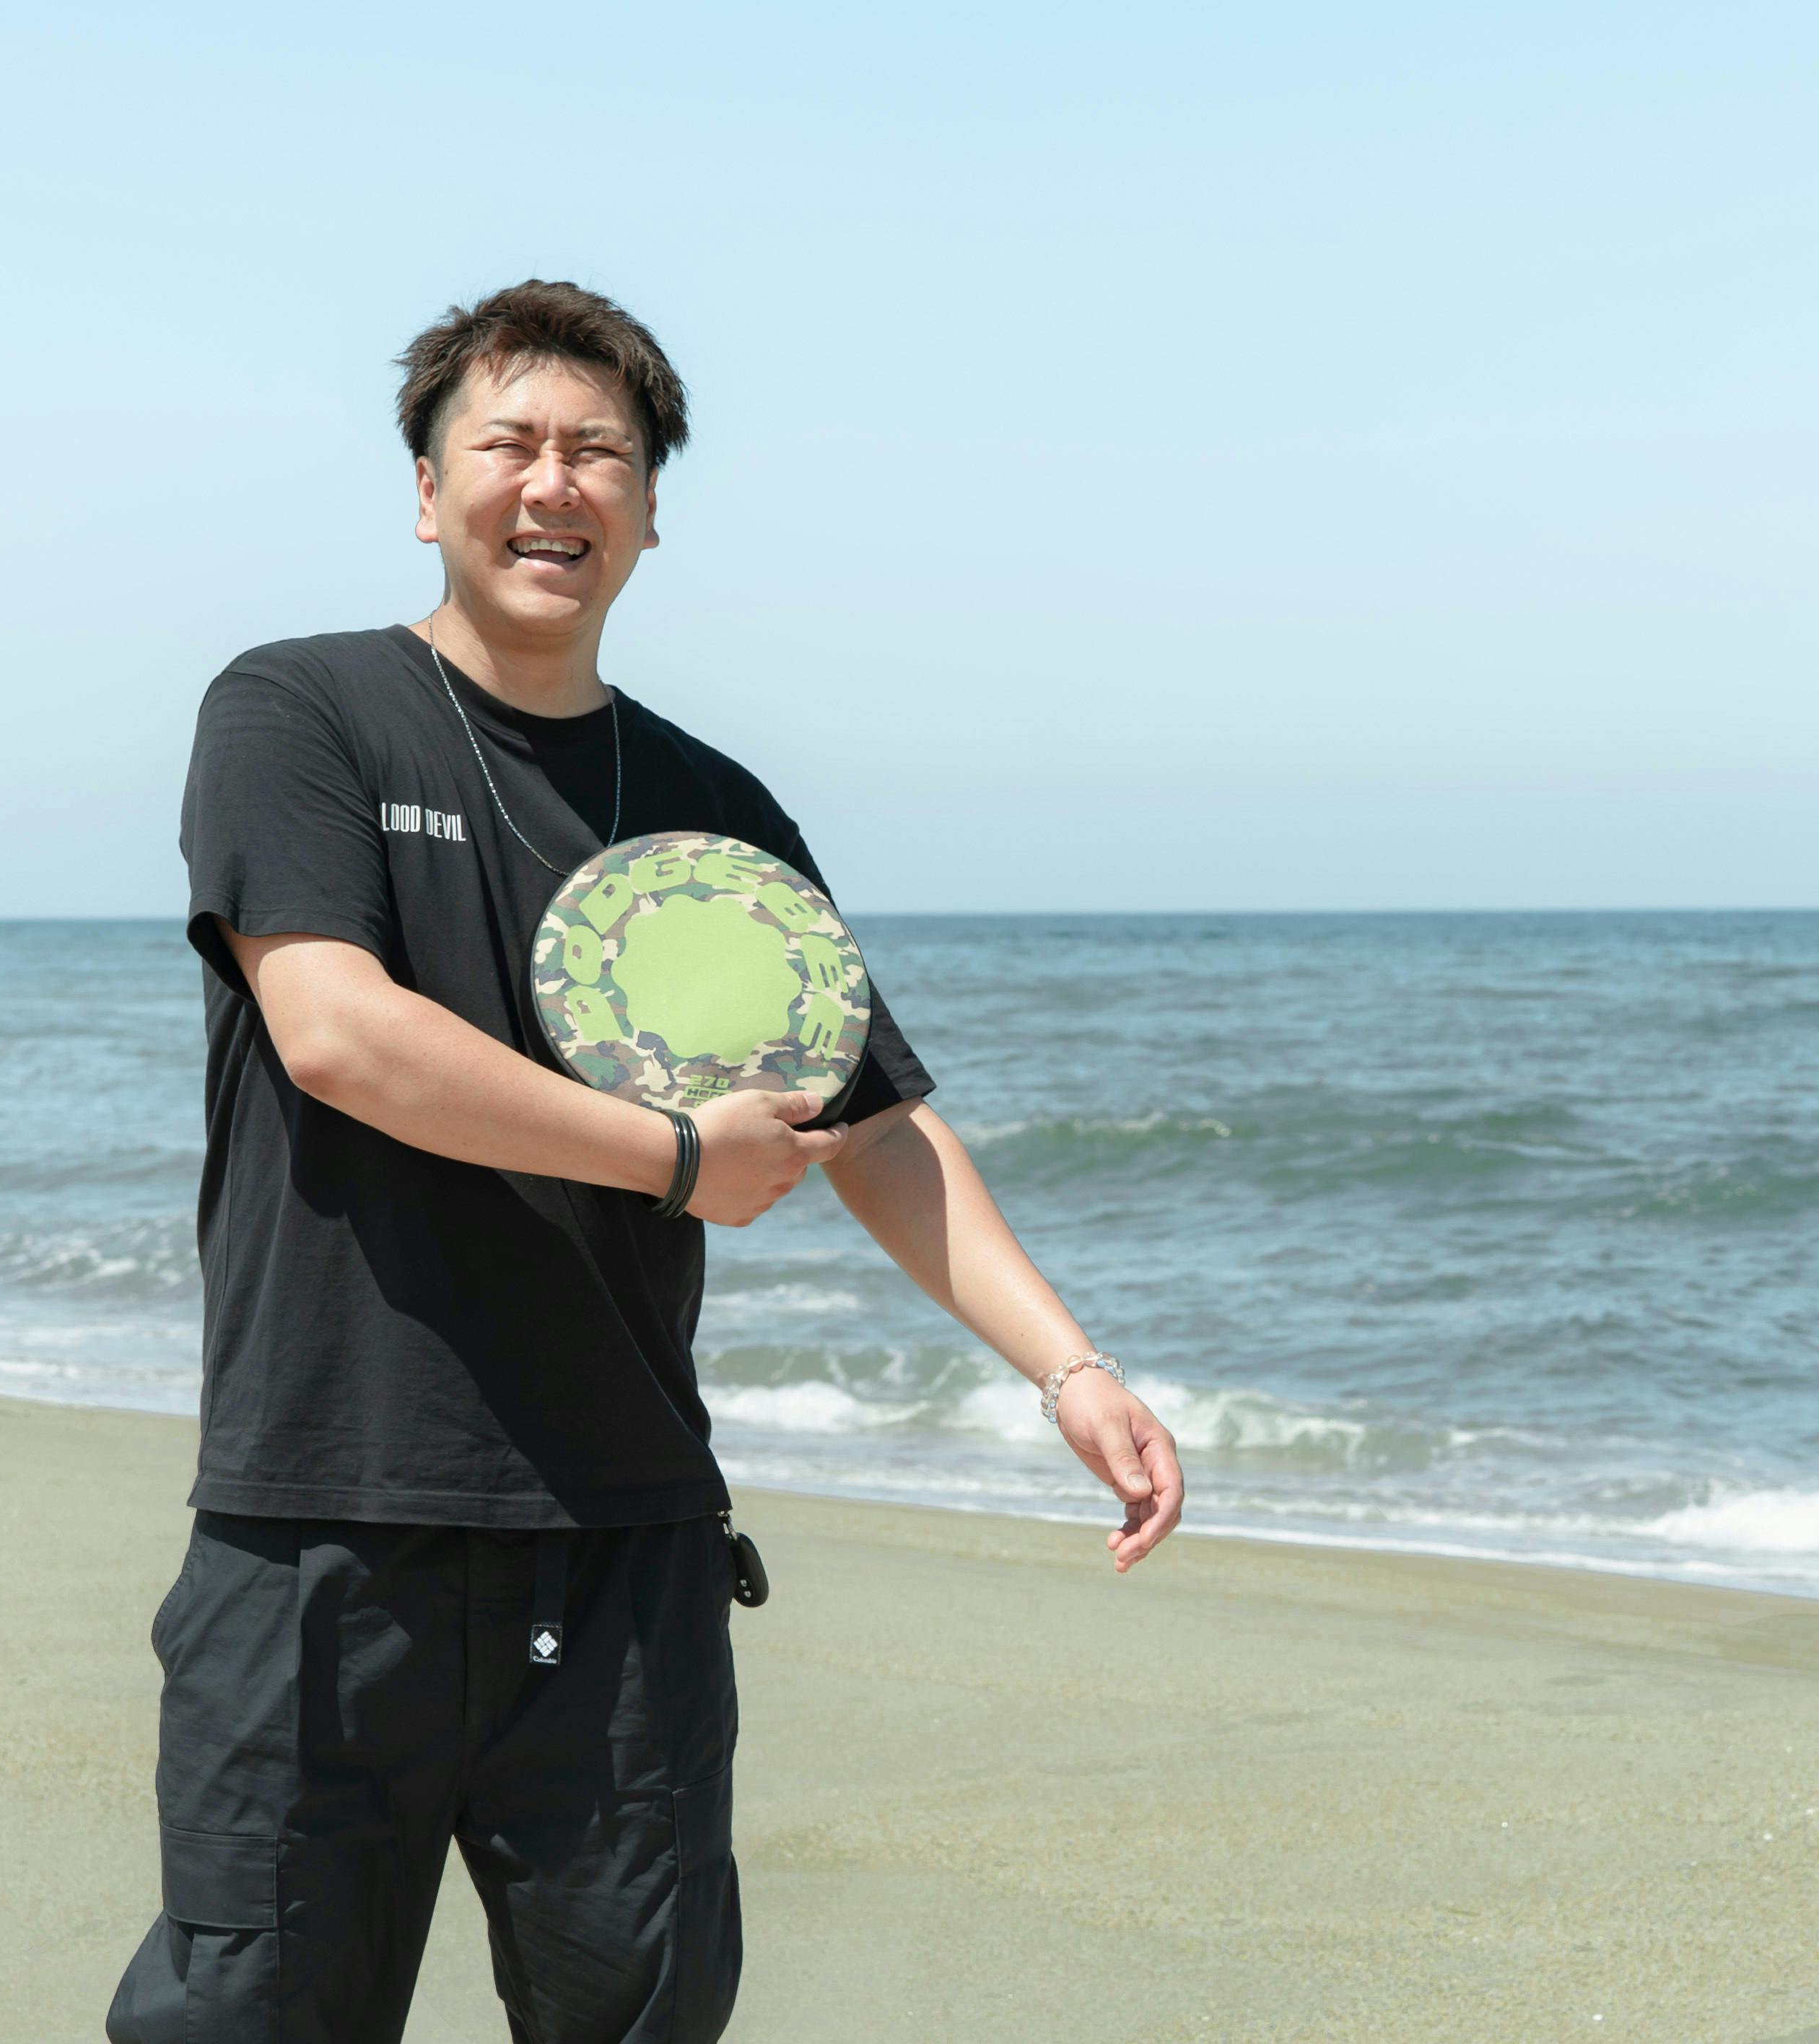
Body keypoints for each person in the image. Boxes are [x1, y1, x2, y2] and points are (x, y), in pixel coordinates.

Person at [105, 279, 1186, 2044]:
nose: (553, 485)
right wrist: (676, 1160)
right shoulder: (300, 710)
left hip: (619, 1543)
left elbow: (870, 1123)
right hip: (321, 1527)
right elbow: (339, 1033)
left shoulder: (718, 813)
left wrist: (1070, 1367)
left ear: (652, 508)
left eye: (598, 452)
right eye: (508, 445)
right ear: (427, 487)